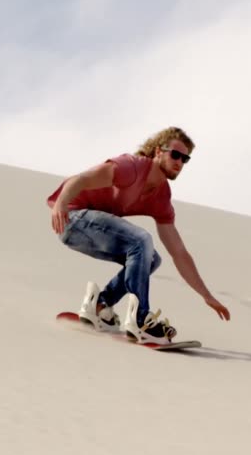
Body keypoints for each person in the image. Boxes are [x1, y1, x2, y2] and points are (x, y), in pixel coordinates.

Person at [47, 126, 230, 343]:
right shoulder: (130, 167)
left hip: (90, 230)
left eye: (185, 159)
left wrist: (206, 295)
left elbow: (179, 252)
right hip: (71, 218)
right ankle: (141, 320)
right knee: (141, 240)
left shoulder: (161, 197)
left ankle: (100, 307)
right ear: (157, 151)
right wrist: (61, 204)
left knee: (151, 258)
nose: (179, 162)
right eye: (175, 155)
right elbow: (83, 179)